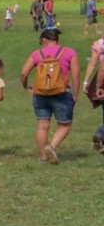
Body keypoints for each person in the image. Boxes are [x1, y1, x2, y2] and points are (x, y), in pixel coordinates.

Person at [20, 26, 79, 163]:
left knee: (42, 126)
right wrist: (75, 94)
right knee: (64, 124)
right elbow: (76, 74)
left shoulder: (37, 54)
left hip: (40, 93)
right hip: (61, 93)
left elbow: (23, 73)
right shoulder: (69, 52)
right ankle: (51, 146)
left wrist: (25, 86)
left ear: (43, 40)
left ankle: (43, 157)